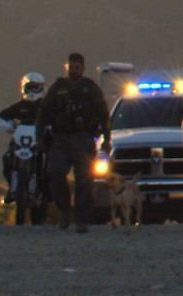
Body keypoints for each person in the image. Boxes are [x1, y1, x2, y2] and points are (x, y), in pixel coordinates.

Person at [35, 52, 110, 234]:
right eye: (71, 67)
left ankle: (81, 219)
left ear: (83, 68)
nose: (74, 70)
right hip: (61, 138)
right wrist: (39, 138)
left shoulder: (90, 88)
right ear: (66, 67)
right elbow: (43, 113)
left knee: (84, 180)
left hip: (83, 138)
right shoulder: (58, 88)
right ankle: (64, 209)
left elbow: (103, 114)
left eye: (77, 67)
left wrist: (107, 139)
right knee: (54, 173)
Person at [0, 72, 51, 226]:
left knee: (49, 164)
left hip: (40, 142)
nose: (31, 91)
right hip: (20, 142)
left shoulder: (46, 106)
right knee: (6, 158)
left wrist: (51, 127)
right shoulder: (19, 106)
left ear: (41, 88)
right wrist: (8, 125)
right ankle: (12, 188)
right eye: (28, 87)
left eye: (34, 87)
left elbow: (56, 118)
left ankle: (46, 192)